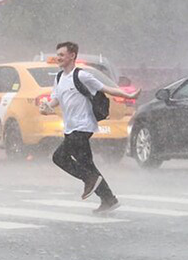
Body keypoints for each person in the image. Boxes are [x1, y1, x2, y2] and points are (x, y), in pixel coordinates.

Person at [41, 41, 140, 213]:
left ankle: (89, 179)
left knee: (59, 157)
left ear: (72, 56)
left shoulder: (81, 76)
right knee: (87, 163)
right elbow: (55, 99)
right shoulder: (58, 78)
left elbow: (106, 88)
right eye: (57, 55)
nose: (58, 58)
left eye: (62, 55)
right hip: (70, 126)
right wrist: (47, 106)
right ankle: (109, 199)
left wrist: (128, 94)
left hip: (83, 125)